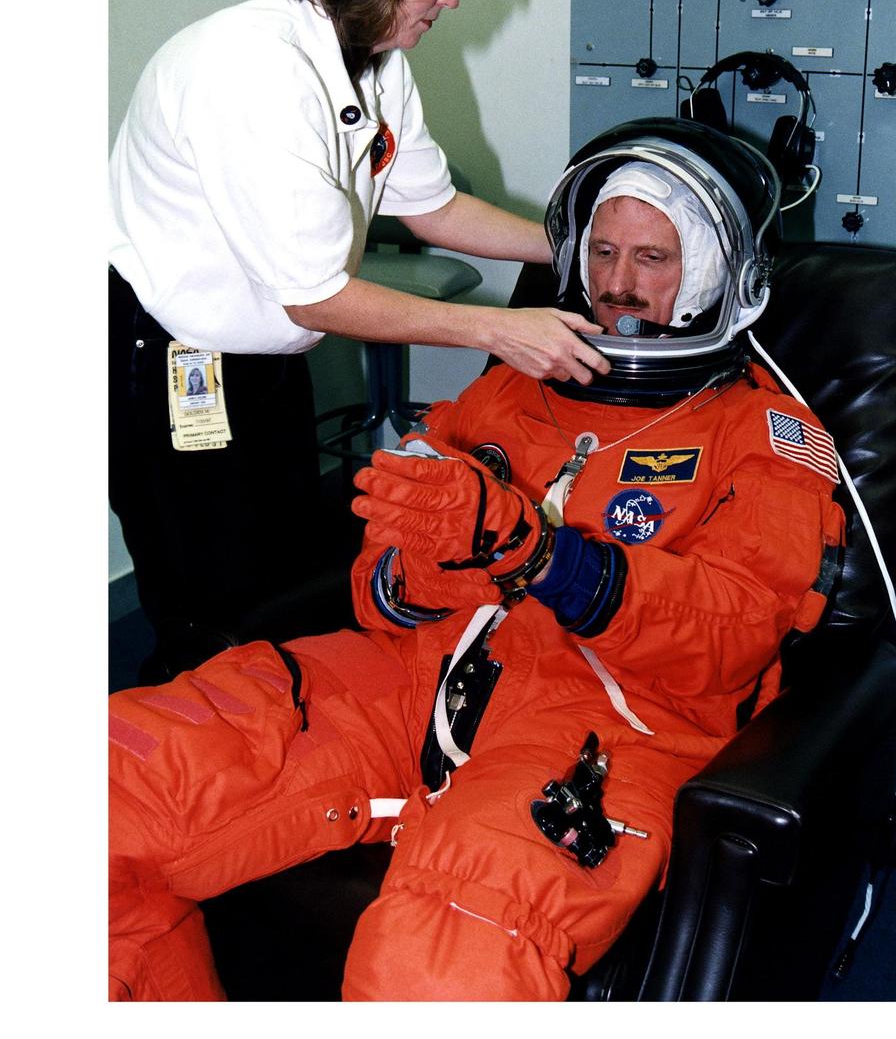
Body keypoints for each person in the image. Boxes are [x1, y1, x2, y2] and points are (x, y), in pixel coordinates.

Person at [108, 118, 846, 1001]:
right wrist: (419, 574)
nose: (617, 286)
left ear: (719, 273)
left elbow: (733, 636)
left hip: (611, 725)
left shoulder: (766, 437)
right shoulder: (506, 383)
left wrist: (537, 553)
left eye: (653, 258)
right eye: (603, 252)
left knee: (443, 963)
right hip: (409, 681)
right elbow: (378, 582)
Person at [108, 0, 608, 681]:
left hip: (263, 351)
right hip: (172, 354)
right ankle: (170, 779)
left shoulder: (372, 61)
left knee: (283, 569)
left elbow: (433, 207)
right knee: (208, 603)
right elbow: (317, 296)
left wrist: (587, 252)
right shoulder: (248, 71)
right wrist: (499, 330)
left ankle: (283, 757)